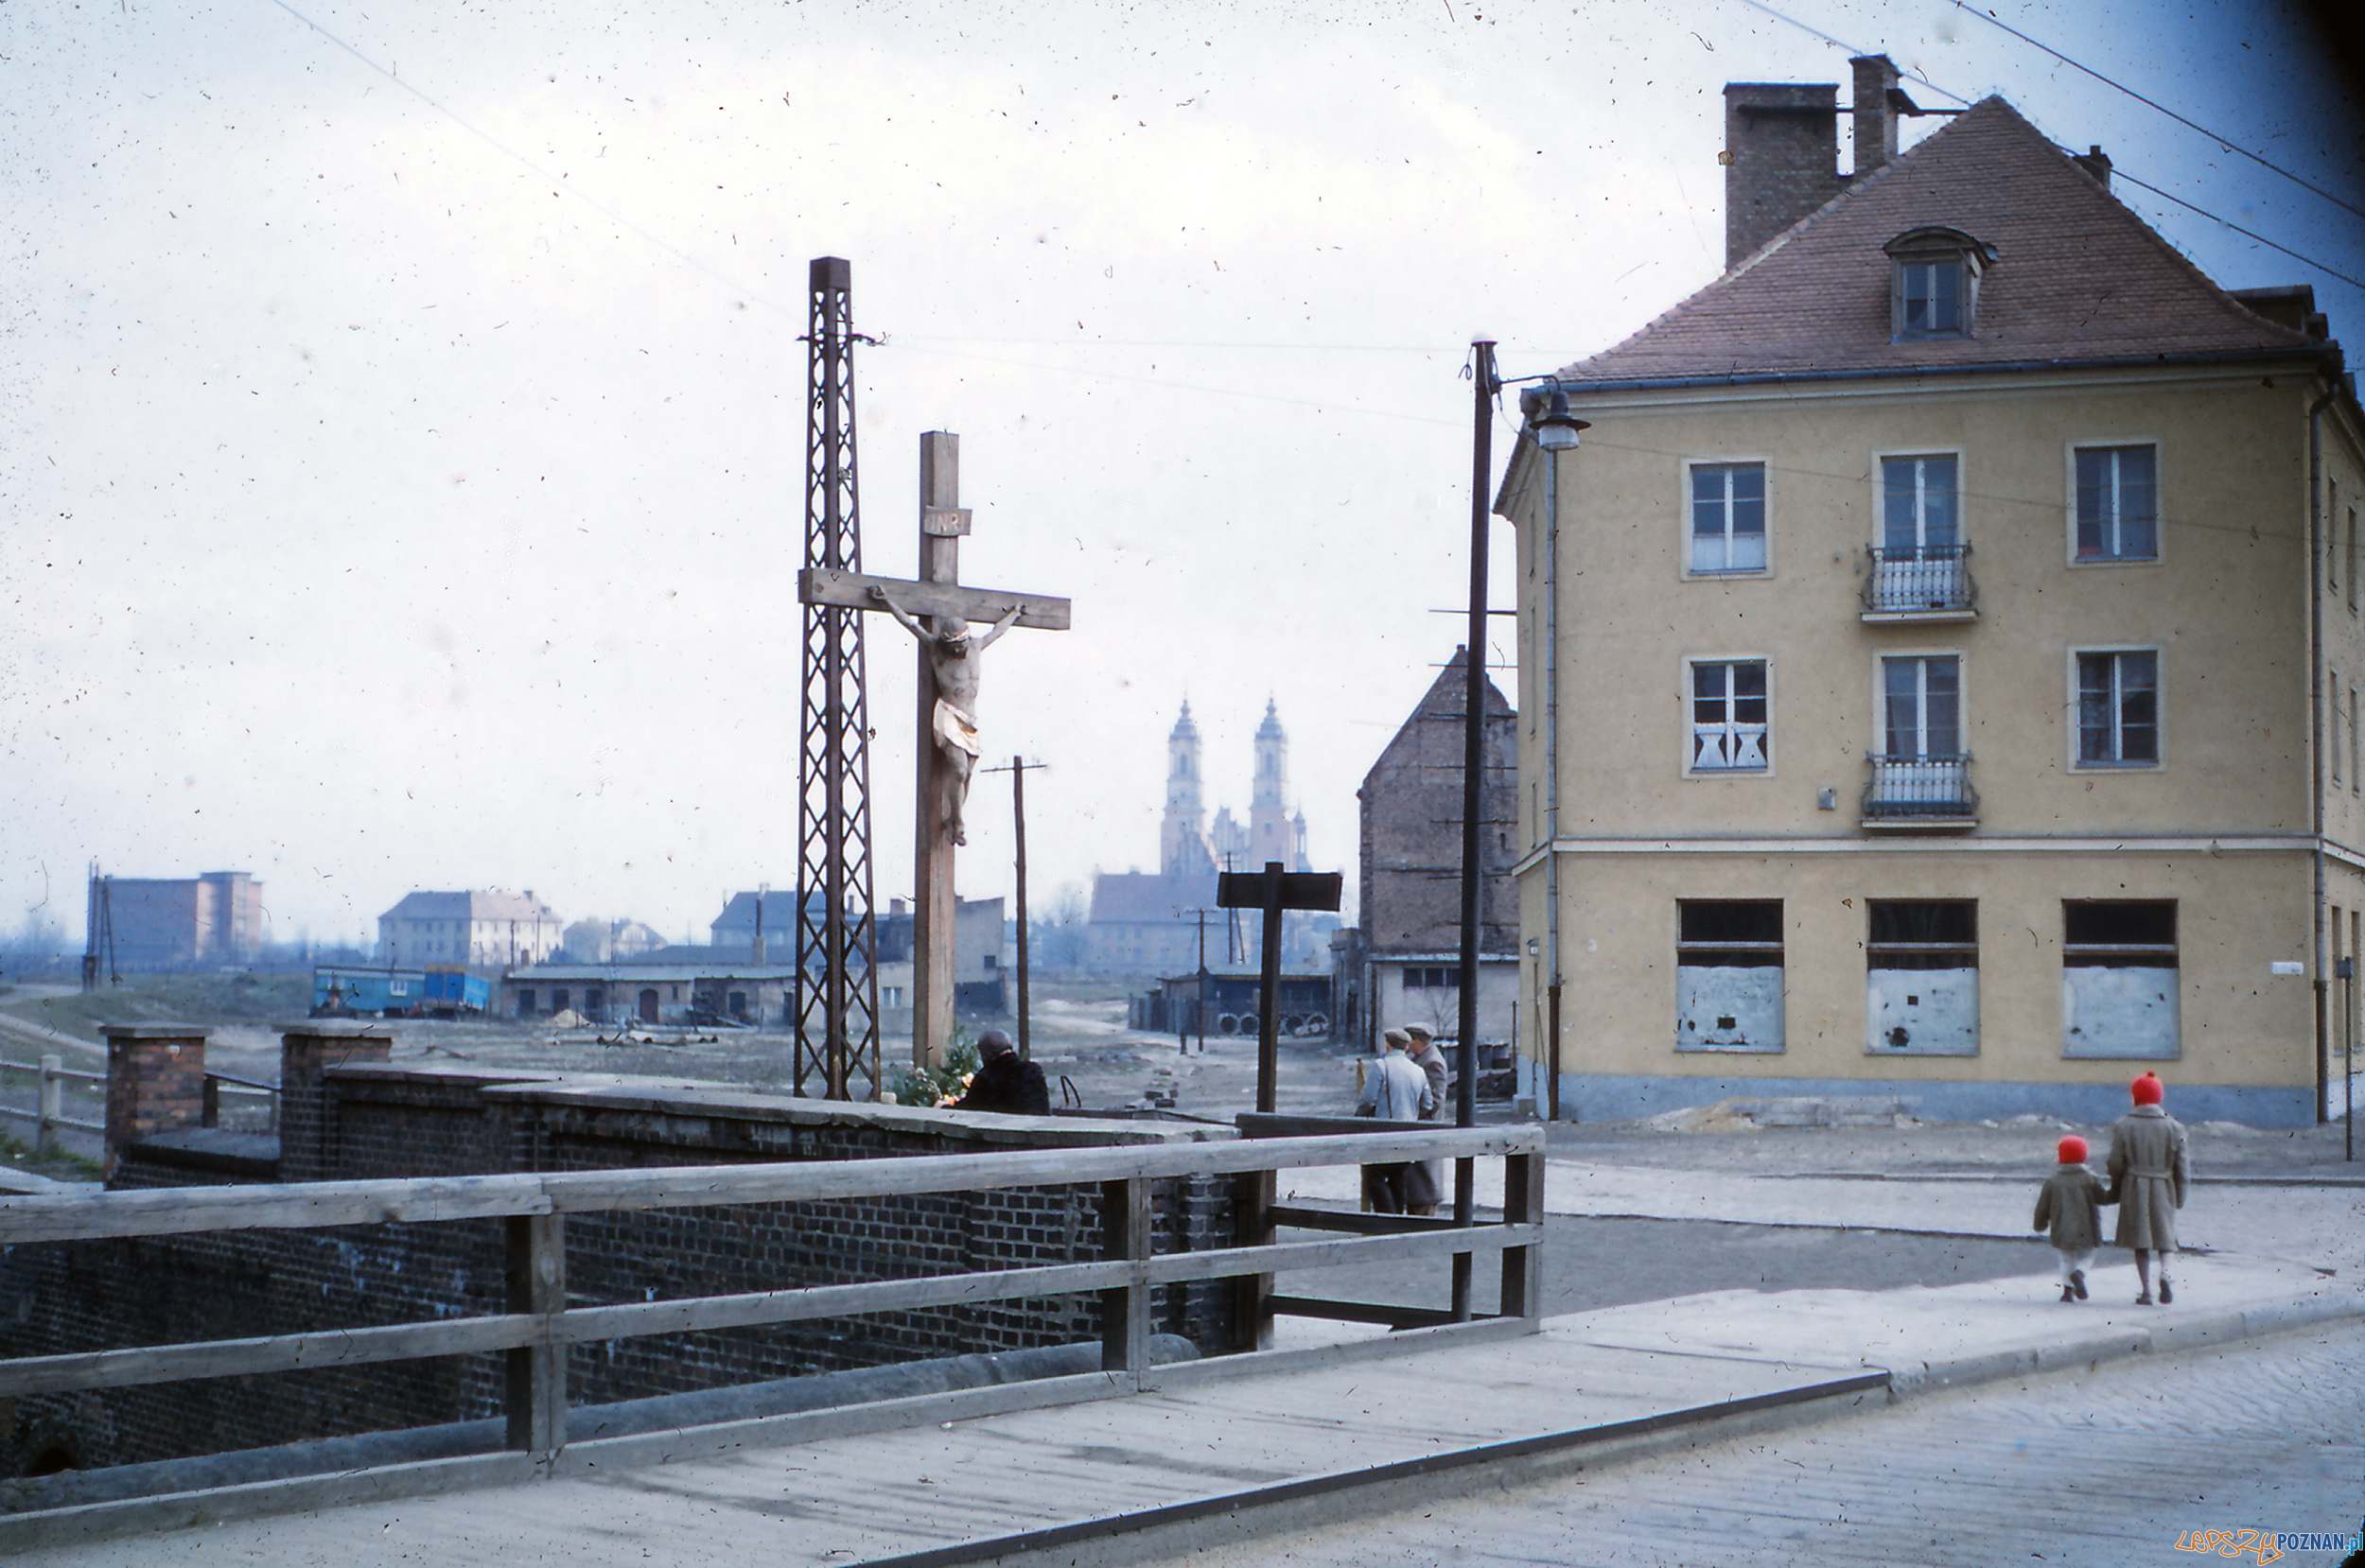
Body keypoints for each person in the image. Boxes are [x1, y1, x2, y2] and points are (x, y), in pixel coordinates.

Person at [872, 587, 1024, 846]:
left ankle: (953, 819)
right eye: (953, 646)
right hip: (948, 715)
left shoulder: (976, 646)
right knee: (959, 768)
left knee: (968, 773)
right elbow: (909, 623)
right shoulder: (935, 648)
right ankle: (959, 822)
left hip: (969, 720)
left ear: (967, 639)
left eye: (961, 644)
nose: (958, 650)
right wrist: (887, 600)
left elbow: (998, 630)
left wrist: (1014, 614)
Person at [2107, 1071, 2189, 1305]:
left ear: (2136, 1097)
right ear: (2159, 1098)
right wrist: (2180, 1197)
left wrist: (2117, 1183)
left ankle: (2146, 1292)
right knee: (2166, 1236)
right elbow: (2183, 1168)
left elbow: (2114, 1161)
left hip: (2134, 1184)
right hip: (2164, 1184)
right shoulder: (2175, 1128)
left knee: (2140, 1240)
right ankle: (2166, 1273)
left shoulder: (2123, 1125)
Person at [1356, 1028, 1435, 1213]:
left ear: (1387, 1045)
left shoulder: (1380, 1066)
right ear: (1406, 1048)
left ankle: (1387, 1219)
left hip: (1384, 1135)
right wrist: (1411, 1117)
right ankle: (1397, 1221)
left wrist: (1359, 1119)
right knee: (1398, 1179)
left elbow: (1367, 1100)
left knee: (1373, 1178)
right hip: (1407, 1137)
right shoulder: (1418, 1071)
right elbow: (1428, 1104)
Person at [2033, 1133, 2109, 1303]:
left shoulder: (2053, 1181)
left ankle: (2067, 1292)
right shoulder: (2090, 1178)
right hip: (2087, 1227)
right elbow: (2103, 1198)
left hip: (2062, 1228)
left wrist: (2040, 1224)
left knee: (2066, 1257)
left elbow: (2042, 1206)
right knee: (2087, 1255)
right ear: (2084, 1156)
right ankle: (2080, 1274)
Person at [1402, 1024, 1449, 1218]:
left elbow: (1435, 1100)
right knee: (1417, 1184)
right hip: (1421, 1129)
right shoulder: (1423, 1059)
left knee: (1424, 1185)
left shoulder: (1432, 1062)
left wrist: (1412, 1115)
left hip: (1426, 1129)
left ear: (1415, 1041)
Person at [951, 1029, 1050, 1115]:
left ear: (986, 1055)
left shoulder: (987, 1078)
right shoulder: (1034, 1071)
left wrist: (943, 1107)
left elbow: (965, 1111)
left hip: (1006, 1134)